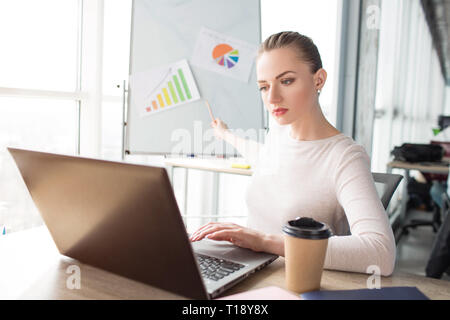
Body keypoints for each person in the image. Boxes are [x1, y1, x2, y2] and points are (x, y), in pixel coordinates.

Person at [189, 31, 396, 276]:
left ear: (318, 80)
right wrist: (225, 135)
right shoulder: (278, 134)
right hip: (246, 271)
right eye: (264, 87)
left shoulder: (345, 157)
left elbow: (380, 252)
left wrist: (265, 241)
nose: (273, 97)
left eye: (286, 81)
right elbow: (261, 156)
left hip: (297, 282)